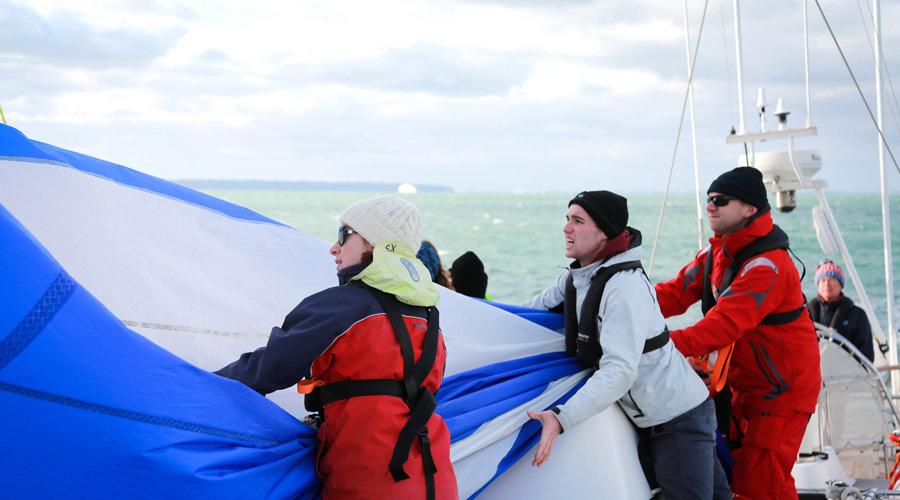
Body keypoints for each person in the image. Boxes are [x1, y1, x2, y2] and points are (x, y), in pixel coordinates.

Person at [214, 195, 458, 500]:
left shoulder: (341, 307)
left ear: (374, 244)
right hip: (437, 480)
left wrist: (196, 385)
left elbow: (267, 370)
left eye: (344, 234)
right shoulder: (430, 320)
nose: (334, 247)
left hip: (371, 483)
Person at [524, 190, 730, 500]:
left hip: (678, 418)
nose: (566, 228)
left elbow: (619, 371)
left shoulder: (624, 287)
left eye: (578, 221)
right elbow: (526, 314)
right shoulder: (578, 278)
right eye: (567, 219)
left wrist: (560, 418)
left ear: (604, 233)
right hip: (663, 416)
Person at [654, 167, 821, 500]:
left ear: (750, 209)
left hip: (782, 393)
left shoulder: (769, 266)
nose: (710, 206)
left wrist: (656, 347)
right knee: (749, 479)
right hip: (742, 387)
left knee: (759, 486)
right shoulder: (715, 255)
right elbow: (671, 294)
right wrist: (614, 309)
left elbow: (723, 325)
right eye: (709, 200)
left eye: (721, 200)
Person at [809, 259, 874, 361]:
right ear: (818, 285)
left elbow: (867, 355)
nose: (827, 284)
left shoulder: (858, 315)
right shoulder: (805, 313)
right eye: (823, 280)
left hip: (847, 374)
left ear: (840, 284)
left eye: (832, 279)